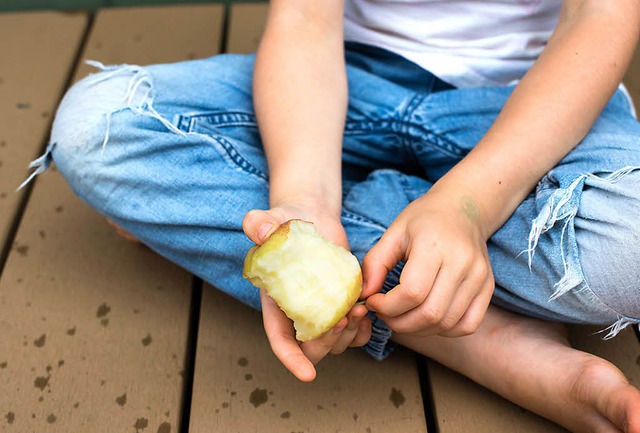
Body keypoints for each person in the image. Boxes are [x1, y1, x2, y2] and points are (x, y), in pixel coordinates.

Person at [25, 0, 640, 431]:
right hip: (345, 86)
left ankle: (398, 237)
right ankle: (479, 340)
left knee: (631, 249)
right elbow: (304, 21)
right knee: (98, 128)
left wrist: (469, 205)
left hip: (529, 105)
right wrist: (302, 204)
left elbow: (601, 16)